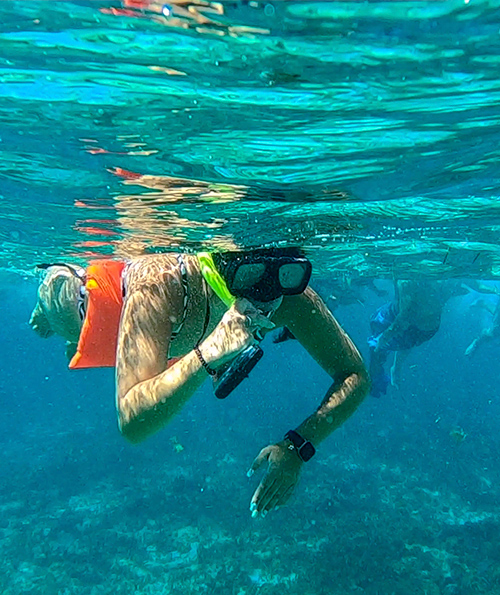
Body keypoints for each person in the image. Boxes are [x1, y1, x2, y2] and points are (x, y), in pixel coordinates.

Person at [29, 248, 369, 517]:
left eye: (283, 274)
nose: (265, 290)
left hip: (173, 336)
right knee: (62, 313)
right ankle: (46, 307)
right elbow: (131, 422)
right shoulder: (157, 284)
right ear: (218, 263)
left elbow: (355, 376)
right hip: (90, 306)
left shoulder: (288, 296)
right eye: (251, 273)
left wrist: (298, 446)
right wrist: (209, 352)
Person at [368, 279, 470, 397]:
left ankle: (376, 379)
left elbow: (404, 319)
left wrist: (384, 338)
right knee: (406, 340)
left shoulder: (407, 281)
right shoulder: (441, 282)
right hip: (426, 329)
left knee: (378, 344)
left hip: (405, 323)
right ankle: (394, 369)